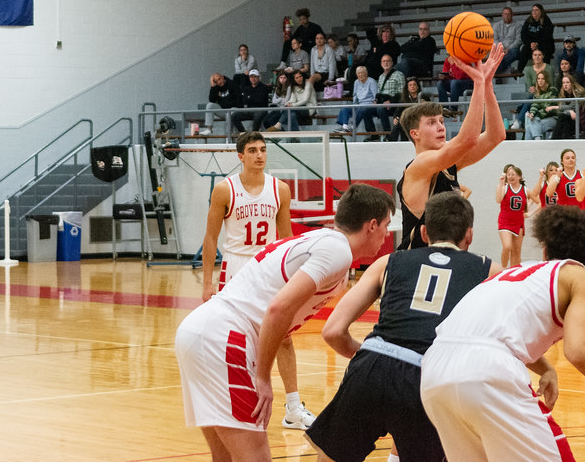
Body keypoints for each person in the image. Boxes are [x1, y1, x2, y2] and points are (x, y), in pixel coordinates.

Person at [420, 206, 585, 462]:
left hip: (434, 370)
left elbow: (487, 333)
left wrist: (545, 367)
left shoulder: (515, 271)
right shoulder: (584, 278)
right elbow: (579, 349)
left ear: (546, 250)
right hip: (487, 373)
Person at [174, 182, 395, 461]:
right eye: (387, 224)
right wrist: (263, 377)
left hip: (201, 331)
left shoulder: (320, 242)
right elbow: (279, 308)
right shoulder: (336, 250)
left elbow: (331, 332)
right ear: (371, 225)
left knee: (226, 457)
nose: (388, 233)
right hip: (226, 337)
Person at [305, 191, 498, 462]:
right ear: (469, 235)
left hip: (372, 367)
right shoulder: (490, 271)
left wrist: (371, 357)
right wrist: (544, 368)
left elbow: (333, 331)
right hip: (428, 377)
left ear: (423, 232)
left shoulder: (388, 262)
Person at [196, 132, 314, 433]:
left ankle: (293, 408)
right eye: (252, 150)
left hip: (268, 267)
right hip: (236, 268)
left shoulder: (280, 189)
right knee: (238, 340)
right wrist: (207, 282)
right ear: (240, 156)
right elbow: (210, 237)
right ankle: (239, 403)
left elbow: (288, 240)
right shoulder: (225, 190)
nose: (259, 155)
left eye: (263, 150)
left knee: (284, 336)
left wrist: (294, 278)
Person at [397, 44, 505, 250]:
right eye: (431, 123)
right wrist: (478, 83)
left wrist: (488, 85)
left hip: (445, 262)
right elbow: (468, 140)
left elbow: (495, 136)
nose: (440, 127)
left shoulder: (447, 163)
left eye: (441, 121)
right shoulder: (419, 166)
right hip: (415, 265)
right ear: (415, 134)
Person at [497, 165, 528, 267]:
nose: (510, 176)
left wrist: (529, 211)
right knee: (507, 246)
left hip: (518, 222)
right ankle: (503, 269)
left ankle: (514, 273)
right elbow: (498, 200)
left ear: (519, 176)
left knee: (516, 252)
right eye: (509, 174)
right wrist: (501, 184)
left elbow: (537, 199)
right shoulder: (504, 188)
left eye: (513, 174)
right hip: (505, 221)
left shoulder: (524, 189)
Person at [335, 66, 377, 134]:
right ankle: (345, 127)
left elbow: (376, 96)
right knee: (345, 108)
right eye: (358, 73)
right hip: (359, 104)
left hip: (369, 105)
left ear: (366, 73)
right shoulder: (356, 82)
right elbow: (355, 96)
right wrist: (354, 105)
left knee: (361, 108)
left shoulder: (372, 82)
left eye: (362, 73)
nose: (360, 75)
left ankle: (352, 127)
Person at [373, 53, 406, 140]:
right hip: (382, 102)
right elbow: (379, 92)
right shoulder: (380, 77)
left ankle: (388, 134)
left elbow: (402, 93)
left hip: (394, 103)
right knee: (364, 110)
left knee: (381, 108)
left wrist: (391, 101)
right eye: (383, 61)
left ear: (392, 63)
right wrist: (376, 100)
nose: (386, 63)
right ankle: (373, 135)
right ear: (381, 63)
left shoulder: (399, 74)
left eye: (388, 61)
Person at [550, 75, 585, 139]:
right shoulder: (563, 94)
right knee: (564, 120)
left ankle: (553, 140)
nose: (565, 85)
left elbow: (573, 107)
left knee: (563, 118)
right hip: (569, 121)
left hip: (581, 121)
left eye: (567, 82)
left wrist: (558, 107)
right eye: (563, 83)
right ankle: (561, 141)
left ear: (572, 83)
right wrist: (569, 111)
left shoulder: (579, 93)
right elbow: (562, 111)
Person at [387, 77, 429, 142]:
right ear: (407, 88)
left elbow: (431, 109)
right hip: (408, 120)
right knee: (399, 122)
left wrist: (425, 104)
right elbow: (397, 112)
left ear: (418, 86)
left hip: (420, 119)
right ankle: (392, 141)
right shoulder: (404, 98)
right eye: (410, 85)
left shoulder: (424, 96)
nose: (412, 87)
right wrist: (395, 118)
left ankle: (393, 140)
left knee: (404, 122)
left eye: (414, 85)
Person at [231, 69, 271, 135]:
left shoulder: (264, 87)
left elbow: (260, 100)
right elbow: (244, 100)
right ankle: (243, 133)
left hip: (261, 109)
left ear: (258, 77)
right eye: (251, 77)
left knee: (258, 117)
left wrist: (250, 98)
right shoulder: (247, 88)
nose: (253, 78)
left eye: (255, 77)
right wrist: (252, 98)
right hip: (249, 109)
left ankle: (253, 134)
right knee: (234, 115)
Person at [517, 3, 555, 70]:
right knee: (524, 49)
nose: (534, 12)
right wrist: (530, 43)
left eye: (536, 10)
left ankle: (544, 71)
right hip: (531, 44)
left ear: (541, 12)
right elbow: (523, 35)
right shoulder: (528, 21)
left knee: (545, 50)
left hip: (544, 44)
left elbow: (547, 36)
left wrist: (537, 44)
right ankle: (519, 70)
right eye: (533, 10)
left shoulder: (546, 21)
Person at [524, 71, 559, 140]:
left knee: (532, 124)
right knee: (529, 127)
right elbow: (535, 104)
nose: (540, 81)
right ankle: (535, 142)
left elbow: (547, 106)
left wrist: (536, 114)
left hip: (553, 117)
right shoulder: (537, 93)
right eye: (538, 79)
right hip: (541, 119)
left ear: (546, 80)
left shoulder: (553, 90)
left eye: (542, 79)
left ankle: (537, 142)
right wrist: (532, 113)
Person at [493, 6, 521, 72]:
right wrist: (501, 48)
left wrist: (508, 48)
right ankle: (505, 69)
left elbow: (519, 39)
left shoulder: (518, 25)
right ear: (502, 15)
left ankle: (498, 72)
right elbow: (494, 39)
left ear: (512, 15)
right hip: (500, 49)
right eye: (505, 14)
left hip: (512, 48)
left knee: (514, 53)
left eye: (508, 14)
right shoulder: (497, 25)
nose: (507, 16)